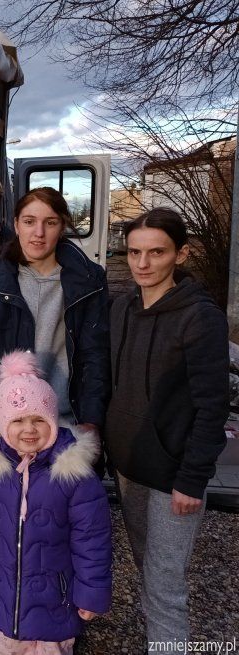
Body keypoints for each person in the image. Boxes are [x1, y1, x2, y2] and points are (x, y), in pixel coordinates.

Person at [104, 208, 229, 653]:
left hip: (173, 477)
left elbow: (213, 406)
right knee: (146, 567)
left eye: (156, 252)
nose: (143, 263)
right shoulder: (121, 308)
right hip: (128, 468)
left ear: (181, 254)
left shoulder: (200, 317)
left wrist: (192, 479)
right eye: (134, 252)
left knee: (165, 584)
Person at [0, 351, 112, 654]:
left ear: (53, 421)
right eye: (18, 420)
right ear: (3, 423)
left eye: (39, 420)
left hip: (57, 603)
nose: (29, 429)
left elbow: (92, 539)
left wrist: (91, 593)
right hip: (5, 600)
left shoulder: (73, 474)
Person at [0, 187, 110, 456]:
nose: (39, 233)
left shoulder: (89, 281)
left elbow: (95, 354)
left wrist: (92, 420)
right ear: (16, 225)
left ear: (62, 227)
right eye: (29, 221)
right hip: (11, 423)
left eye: (50, 222)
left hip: (67, 422)